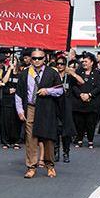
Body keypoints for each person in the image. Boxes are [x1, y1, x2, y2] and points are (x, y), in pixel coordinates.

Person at [15, 49, 63, 178]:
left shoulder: (52, 72)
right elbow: (18, 93)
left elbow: (60, 90)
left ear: (44, 59)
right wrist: (20, 110)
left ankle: (50, 166)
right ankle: (31, 167)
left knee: (48, 138)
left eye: (39, 58)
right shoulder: (25, 73)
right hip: (30, 107)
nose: (37, 61)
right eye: (34, 58)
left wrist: (47, 91)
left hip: (47, 108)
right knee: (30, 138)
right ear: (30, 59)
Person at [72, 53, 100, 149]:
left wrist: (89, 95)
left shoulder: (97, 73)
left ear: (92, 63)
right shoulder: (78, 73)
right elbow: (74, 85)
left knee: (91, 123)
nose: (84, 63)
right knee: (79, 122)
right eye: (83, 61)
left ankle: (90, 140)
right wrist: (80, 94)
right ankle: (79, 139)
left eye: (86, 61)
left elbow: (98, 87)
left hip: (92, 102)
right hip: (79, 102)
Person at [55, 55, 80, 162]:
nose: (60, 66)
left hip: (67, 105)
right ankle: (55, 152)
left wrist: (72, 72)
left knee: (66, 130)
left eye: (62, 64)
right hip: (56, 105)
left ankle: (66, 153)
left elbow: (81, 82)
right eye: (58, 64)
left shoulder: (68, 77)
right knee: (56, 129)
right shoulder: (54, 75)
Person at [0, 55, 22, 150]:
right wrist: (9, 70)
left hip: (16, 101)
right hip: (6, 100)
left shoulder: (21, 74)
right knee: (6, 121)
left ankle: (17, 141)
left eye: (14, 60)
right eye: (10, 60)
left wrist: (16, 90)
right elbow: (3, 82)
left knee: (16, 121)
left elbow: (23, 87)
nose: (12, 62)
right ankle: (6, 141)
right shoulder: (6, 72)